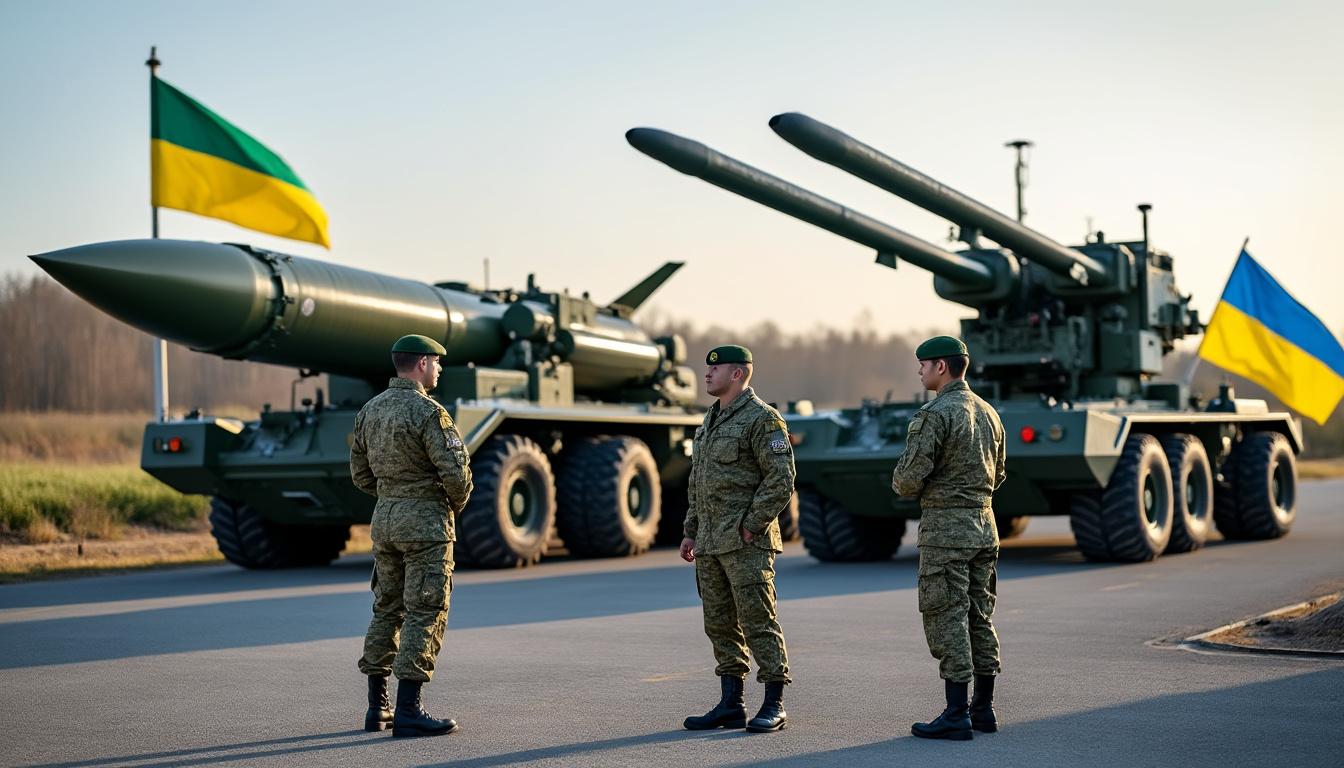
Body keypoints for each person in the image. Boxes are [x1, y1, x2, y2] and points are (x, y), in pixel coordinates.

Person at [350, 334, 473, 738]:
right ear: (421, 364)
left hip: (385, 521)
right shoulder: (428, 412)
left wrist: (394, 496)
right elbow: (457, 475)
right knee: (425, 610)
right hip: (426, 527)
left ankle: (377, 709)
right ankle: (409, 711)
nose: (439, 369)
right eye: (437, 362)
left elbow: (360, 474)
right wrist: (445, 506)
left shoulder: (370, 411)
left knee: (386, 608)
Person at [891, 335, 1007, 741]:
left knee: (947, 617)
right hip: (984, 526)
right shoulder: (990, 413)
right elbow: (1000, 474)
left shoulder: (936, 413)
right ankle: (984, 710)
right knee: (980, 615)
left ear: (941, 367)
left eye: (923, 364)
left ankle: (956, 713)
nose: (919, 371)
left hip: (946, 532)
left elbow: (907, 480)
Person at [679, 345, 796, 734]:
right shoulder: (709, 421)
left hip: (746, 542)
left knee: (758, 620)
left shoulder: (763, 420)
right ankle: (731, 703)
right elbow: (699, 483)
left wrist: (752, 525)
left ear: (738, 375)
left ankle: (774, 702)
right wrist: (690, 531)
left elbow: (781, 479)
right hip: (711, 543)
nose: (707, 375)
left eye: (716, 369)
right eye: (707, 369)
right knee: (720, 624)